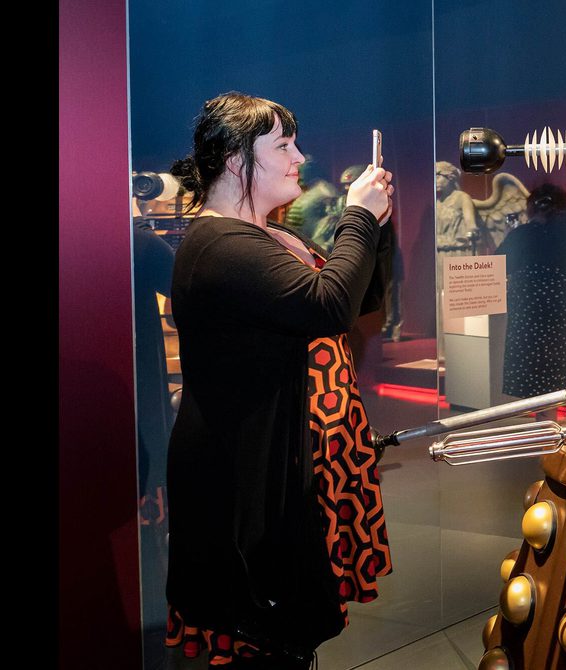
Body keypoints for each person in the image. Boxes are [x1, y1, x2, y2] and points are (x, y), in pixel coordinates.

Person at [164, 92, 396, 668]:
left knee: (292, 631)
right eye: (284, 145)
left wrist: (377, 225)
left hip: (296, 462)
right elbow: (327, 305)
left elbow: (361, 297)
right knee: (264, 633)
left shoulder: (271, 235)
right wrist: (358, 216)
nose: (299, 157)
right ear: (236, 160)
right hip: (252, 473)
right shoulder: (218, 243)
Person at [496, 183, 566, 398]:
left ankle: (546, 417)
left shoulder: (523, 234)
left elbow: (500, 265)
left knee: (539, 389)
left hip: (534, 323)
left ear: (532, 207)